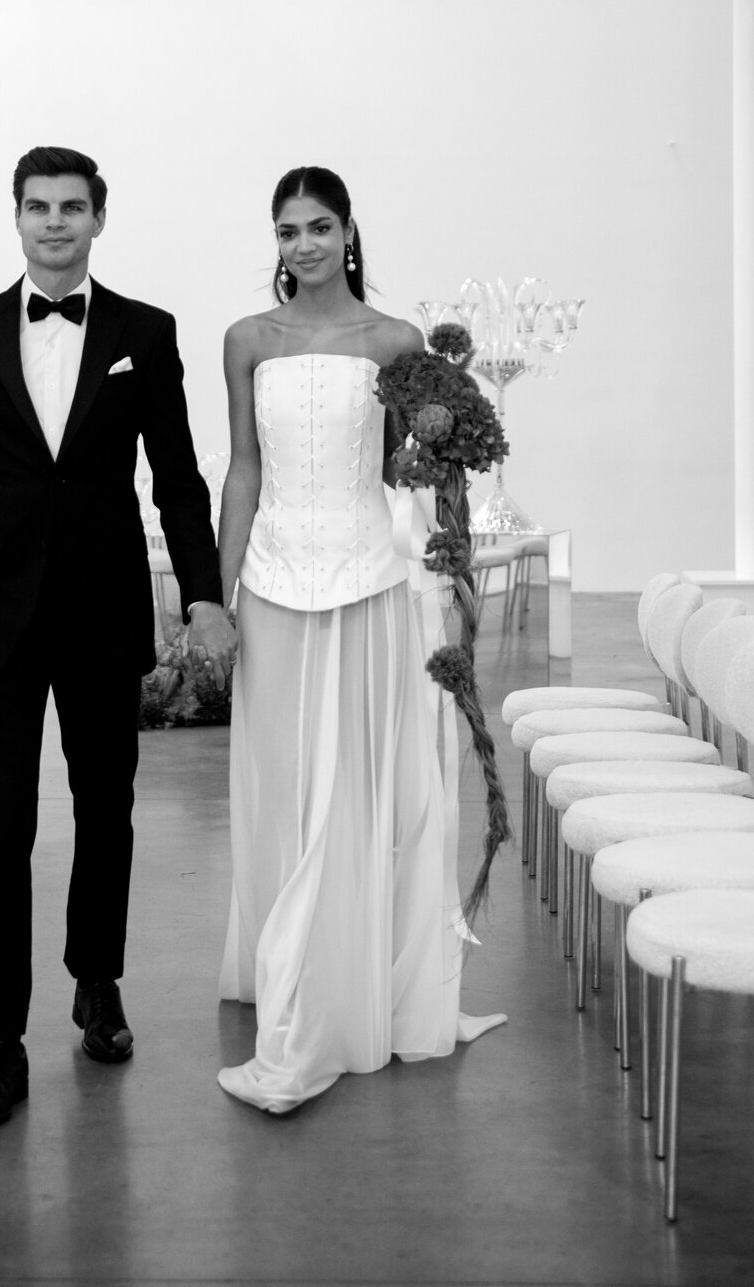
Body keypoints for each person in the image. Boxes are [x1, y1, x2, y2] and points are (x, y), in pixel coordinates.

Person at [0, 145, 236, 1131]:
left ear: (99, 218)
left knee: (109, 807)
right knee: (4, 820)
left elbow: (177, 478)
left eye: (72, 207)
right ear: (15, 219)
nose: (54, 222)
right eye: (37, 207)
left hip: (103, 606)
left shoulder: (147, 331)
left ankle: (97, 982)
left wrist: (205, 596)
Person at [215, 165, 507, 1114]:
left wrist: (447, 491)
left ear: (348, 233)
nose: (301, 243)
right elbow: (243, 471)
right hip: (270, 587)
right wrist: (216, 599)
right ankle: (292, 968)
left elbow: (398, 472)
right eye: (287, 229)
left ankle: (330, 1002)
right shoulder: (246, 341)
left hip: (371, 587)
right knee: (290, 789)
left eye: (319, 226)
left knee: (355, 791)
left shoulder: (395, 341)